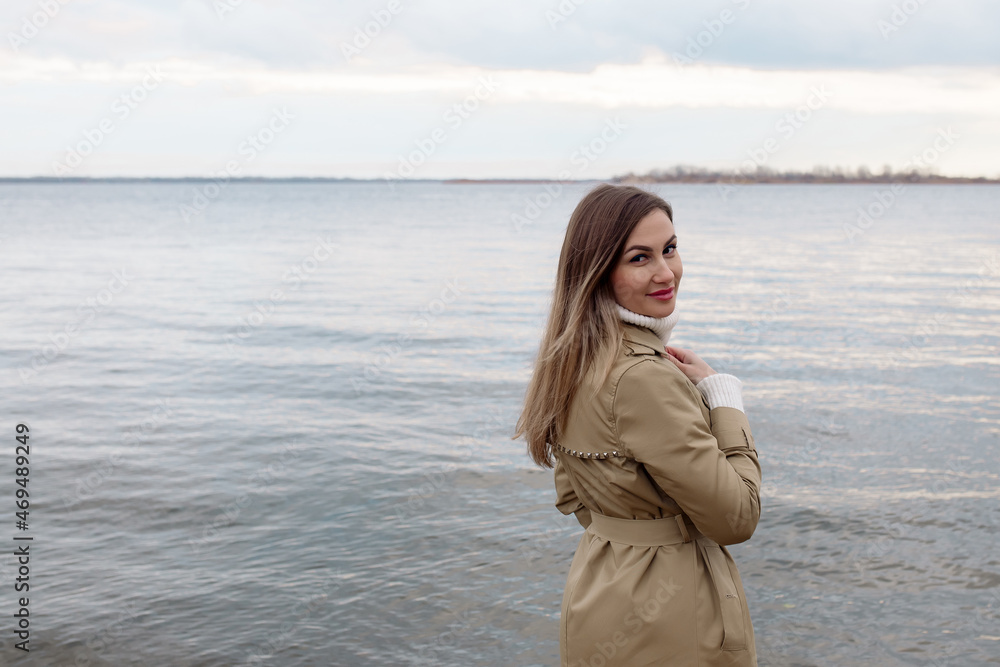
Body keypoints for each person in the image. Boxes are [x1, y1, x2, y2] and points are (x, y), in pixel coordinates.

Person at [514, 183, 762, 666]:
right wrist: (723, 398)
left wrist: (633, 528)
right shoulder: (644, 378)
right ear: (598, 271)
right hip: (673, 614)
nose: (666, 272)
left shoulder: (571, 359)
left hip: (598, 592)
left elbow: (572, 496)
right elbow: (736, 518)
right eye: (639, 258)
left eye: (669, 248)